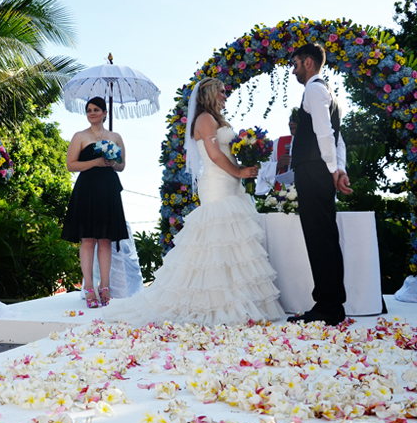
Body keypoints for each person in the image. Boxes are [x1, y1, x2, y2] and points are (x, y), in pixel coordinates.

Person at [102, 78, 284, 326]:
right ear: (209, 93)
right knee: (217, 240)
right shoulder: (205, 119)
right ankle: (216, 301)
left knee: (234, 243)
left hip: (231, 183)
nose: (225, 96)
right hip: (218, 184)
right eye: (221, 92)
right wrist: (239, 171)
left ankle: (238, 300)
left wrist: (244, 161)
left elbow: (226, 151)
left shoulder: (218, 120)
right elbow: (214, 154)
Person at [287, 43, 352, 325]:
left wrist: (331, 170)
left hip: (313, 170)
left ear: (308, 62)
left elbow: (325, 134)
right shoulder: (329, 92)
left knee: (318, 238)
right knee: (327, 237)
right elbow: (339, 139)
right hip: (323, 170)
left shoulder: (313, 90)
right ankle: (333, 305)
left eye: (296, 64)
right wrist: (339, 169)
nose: (294, 71)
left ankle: (326, 307)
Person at [62, 96, 129, 308]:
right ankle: (89, 287)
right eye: (89, 110)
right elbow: (71, 165)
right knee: (88, 239)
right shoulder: (80, 136)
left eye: (96, 109)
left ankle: (105, 286)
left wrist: (111, 162)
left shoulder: (115, 137)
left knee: (106, 239)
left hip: (108, 190)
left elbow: (122, 166)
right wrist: (96, 162)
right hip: (87, 190)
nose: (92, 113)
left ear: (105, 113)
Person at [255, 108, 299, 195]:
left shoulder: (316, 144)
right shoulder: (278, 143)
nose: (291, 123)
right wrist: (278, 165)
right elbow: (263, 168)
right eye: (290, 120)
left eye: (295, 120)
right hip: (283, 196)